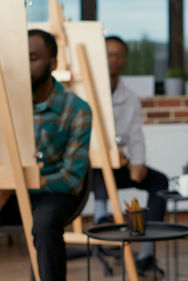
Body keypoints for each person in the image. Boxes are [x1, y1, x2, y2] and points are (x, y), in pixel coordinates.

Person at [0, 29, 92, 281]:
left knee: (44, 219)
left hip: (55, 192)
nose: (25, 65)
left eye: (33, 58)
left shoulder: (77, 110)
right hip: (12, 192)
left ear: (52, 63)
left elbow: (71, 179)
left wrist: (29, 181)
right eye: (21, 58)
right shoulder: (6, 105)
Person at [92, 35, 168, 275]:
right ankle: (101, 217)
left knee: (160, 182)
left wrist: (138, 162)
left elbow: (136, 135)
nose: (113, 59)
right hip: (90, 168)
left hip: (119, 164)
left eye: (118, 54)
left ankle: (146, 254)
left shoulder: (130, 98)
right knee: (98, 164)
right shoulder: (87, 90)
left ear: (124, 60)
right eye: (108, 54)